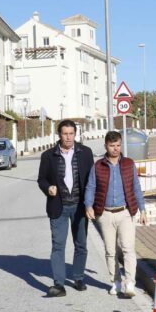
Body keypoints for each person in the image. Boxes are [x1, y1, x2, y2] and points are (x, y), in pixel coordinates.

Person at [84, 130, 147, 298]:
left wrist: (143, 210)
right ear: (106, 146)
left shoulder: (128, 164)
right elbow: (90, 187)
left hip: (125, 212)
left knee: (128, 248)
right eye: (112, 146)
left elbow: (136, 187)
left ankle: (130, 283)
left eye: (118, 145)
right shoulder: (98, 166)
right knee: (110, 251)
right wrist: (88, 206)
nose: (116, 149)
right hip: (105, 214)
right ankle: (116, 282)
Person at [37, 119, 95, 298]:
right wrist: (48, 188)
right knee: (58, 245)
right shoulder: (48, 155)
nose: (68, 137)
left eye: (71, 134)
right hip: (58, 206)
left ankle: (78, 277)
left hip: (79, 206)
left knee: (81, 244)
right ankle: (59, 284)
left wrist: (90, 204)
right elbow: (42, 179)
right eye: (65, 134)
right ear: (59, 135)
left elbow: (91, 181)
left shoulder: (85, 153)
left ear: (75, 134)